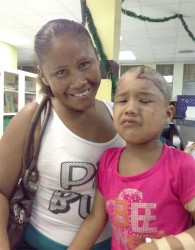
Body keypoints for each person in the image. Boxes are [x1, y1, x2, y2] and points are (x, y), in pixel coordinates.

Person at [0, 19, 125, 250]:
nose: (79, 81)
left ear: (97, 58)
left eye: (84, 64)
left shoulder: (121, 116)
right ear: (44, 76)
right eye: (61, 72)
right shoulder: (34, 117)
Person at [68, 66, 195, 250]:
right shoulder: (108, 161)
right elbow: (96, 218)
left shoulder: (182, 166)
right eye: (122, 100)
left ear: (168, 114)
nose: (130, 108)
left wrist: (160, 247)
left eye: (144, 100)